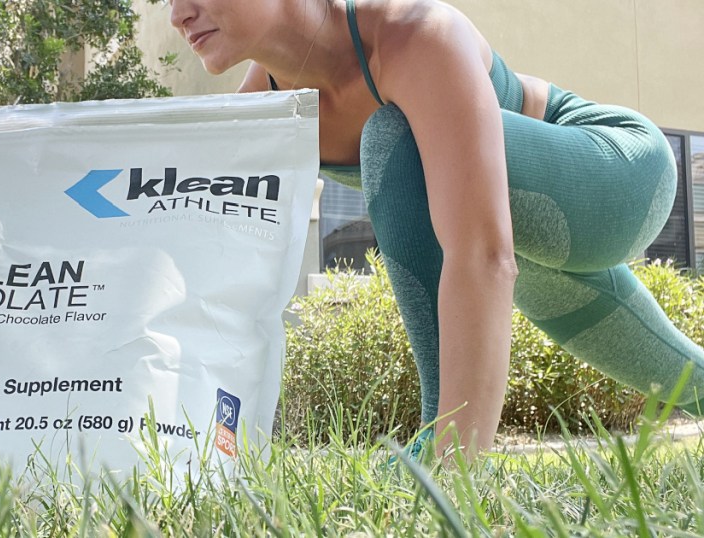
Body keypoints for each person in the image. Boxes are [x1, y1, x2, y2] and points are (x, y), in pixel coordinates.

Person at [168, 0, 704, 457]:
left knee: (393, 137)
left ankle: (436, 446)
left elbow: (481, 255)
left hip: (613, 172)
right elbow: (186, 237)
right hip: (510, 219)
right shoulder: (264, 109)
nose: (177, 14)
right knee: (675, 370)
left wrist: (450, 461)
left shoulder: (414, 35)